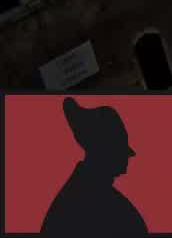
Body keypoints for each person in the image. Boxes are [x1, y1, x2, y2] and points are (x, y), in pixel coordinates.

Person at [41, 97, 148, 235]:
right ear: (104, 151)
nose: (126, 161)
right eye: (119, 150)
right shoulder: (85, 201)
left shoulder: (82, 194)